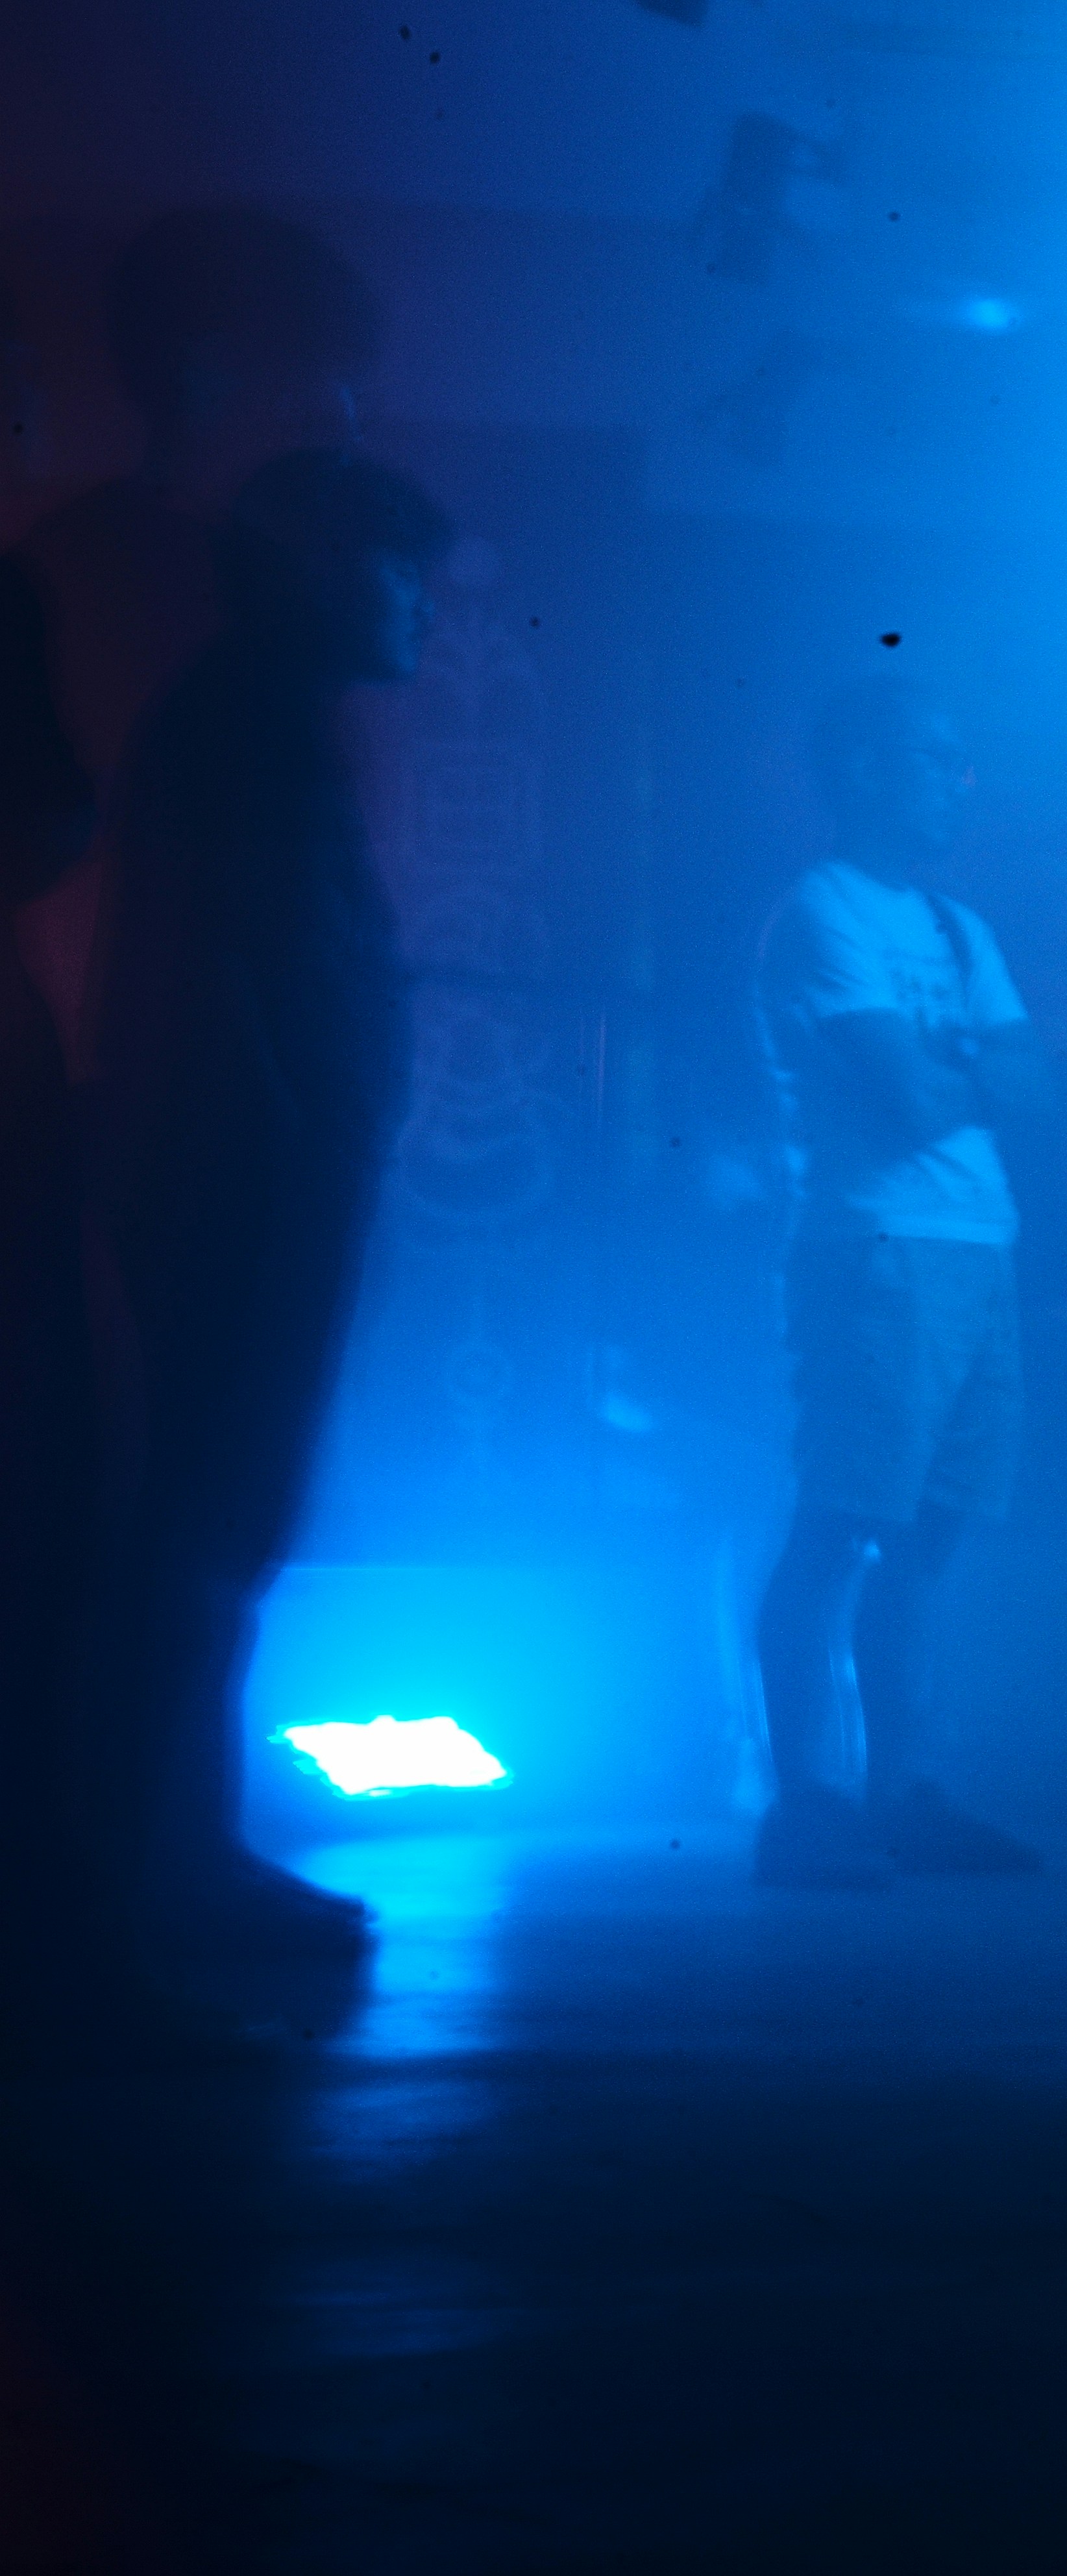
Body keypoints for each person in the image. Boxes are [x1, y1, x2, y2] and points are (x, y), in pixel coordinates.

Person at [3, 208, 386, 1975]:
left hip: (164, 1115)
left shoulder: (171, 590)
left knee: (191, 1500)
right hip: (163, 1127)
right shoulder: (146, 592)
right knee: (162, 1500)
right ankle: (134, 1875)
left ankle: (168, 1856)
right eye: (323, 379)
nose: (349, 417)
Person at [78, 449, 447, 2011]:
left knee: (221, 1524)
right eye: (397, 566)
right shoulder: (245, 727)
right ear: (316, 567)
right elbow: (221, 972)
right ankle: (145, 1885)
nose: (421, 602)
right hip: (246, 1190)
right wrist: (288, 1154)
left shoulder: (259, 721)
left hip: (266, 1182)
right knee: (206, 1524)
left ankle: (181, 1859)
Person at [747, 679, 1055, 1890]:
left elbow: (1036, 1090)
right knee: (843, 1521)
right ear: (865, 768)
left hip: (976, 1244)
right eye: (935, 759)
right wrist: (970, 1067)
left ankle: (900, 1795)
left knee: (931, 1533)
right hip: (878, 1246)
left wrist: (953, 1070)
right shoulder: (822, 912)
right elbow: (915, 1096)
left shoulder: (957, 924)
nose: (956, 783)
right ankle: (806, 1806)